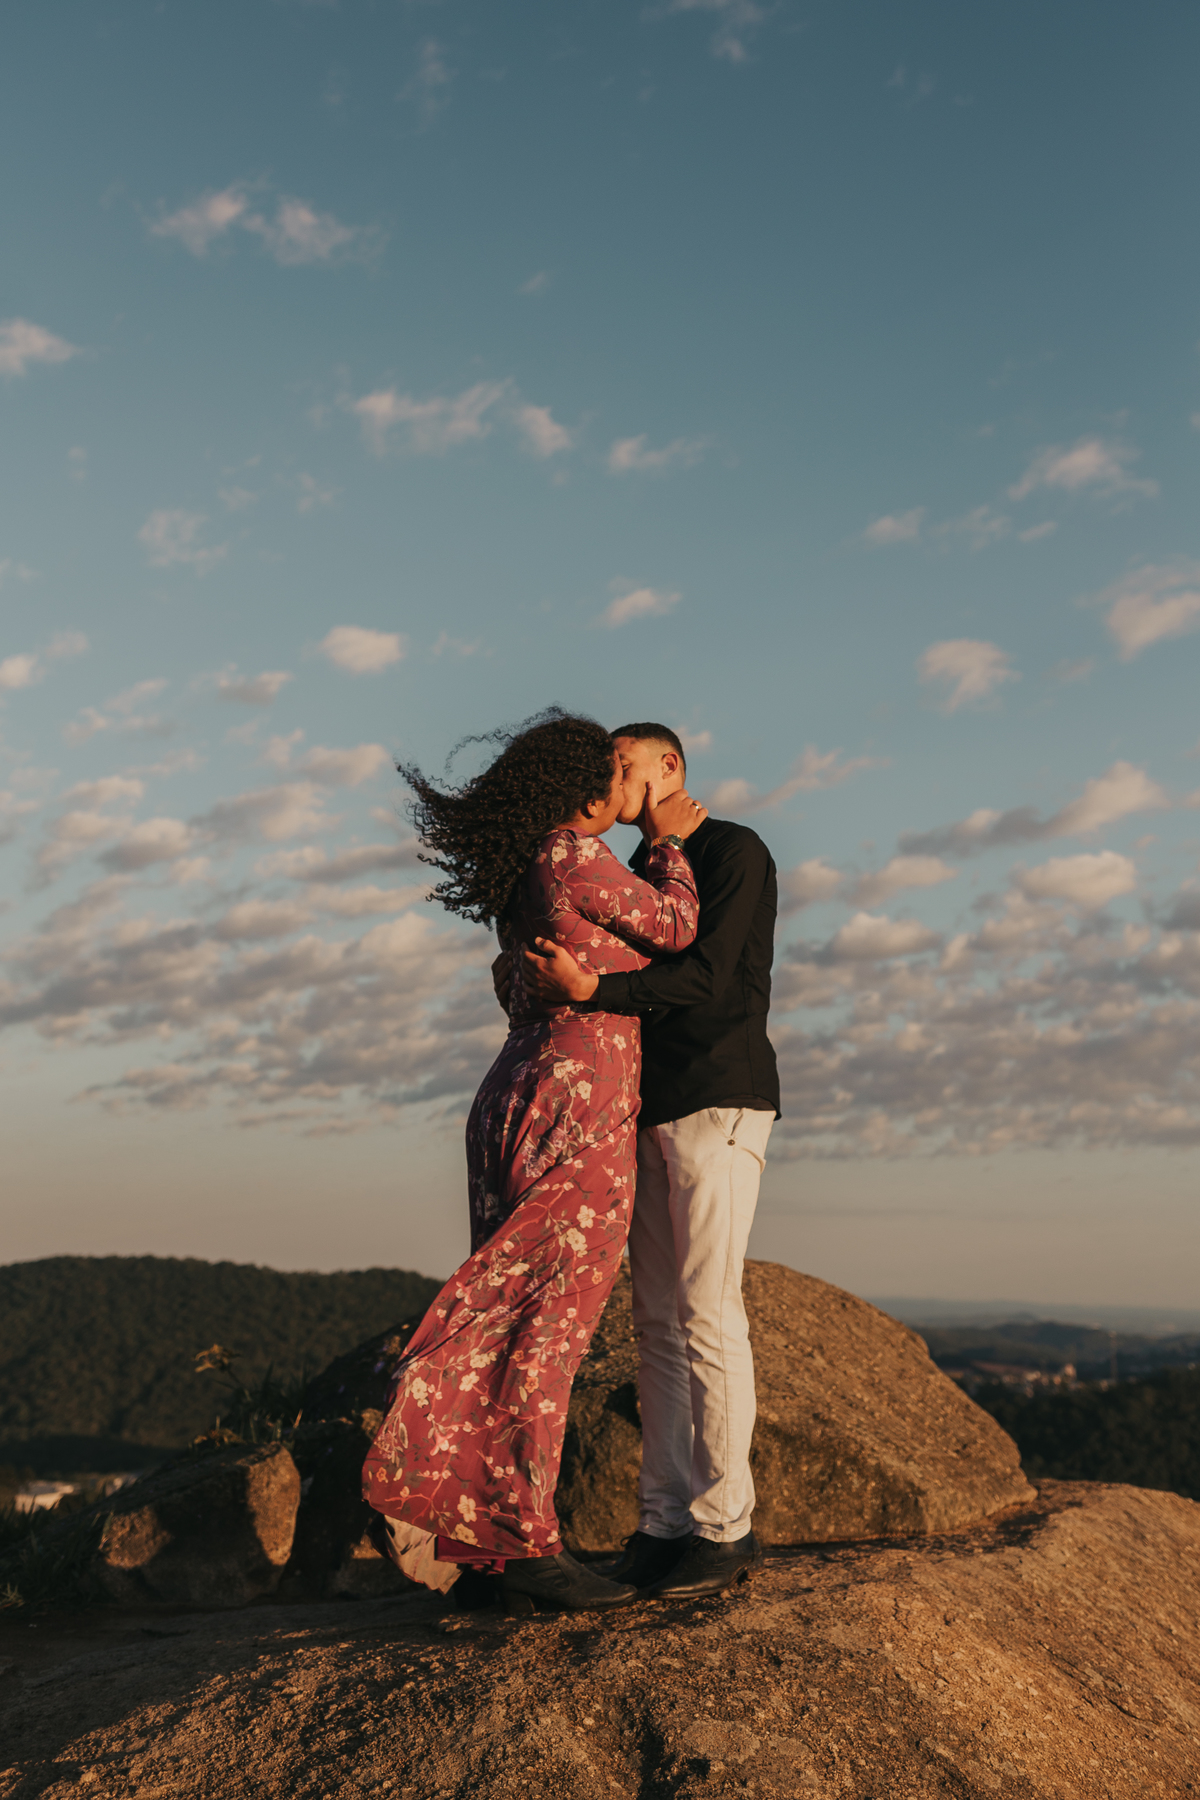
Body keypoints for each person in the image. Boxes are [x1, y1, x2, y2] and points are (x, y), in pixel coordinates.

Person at [362, 708, 708, 1614]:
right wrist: (670, 846)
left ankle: (482, 1548)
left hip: (522, 1093)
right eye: (623, 781)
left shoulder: (530, 872)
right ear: (588, 792)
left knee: (517, 1310)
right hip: (579, 1098)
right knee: (547, 1326)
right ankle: (525, 1542)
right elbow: (673, 928)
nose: (635, 797)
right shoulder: (572, 854)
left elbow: (516, 983)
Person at [522, 722, 779, 1601]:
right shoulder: (640, 868)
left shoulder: (733, 849)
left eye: (625, 768)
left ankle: (725, 1525)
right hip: (646, 1108)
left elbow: (706, 976)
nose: (615, 785)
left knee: (708, 1314)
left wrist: (596, 992)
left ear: (669, 767)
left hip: (721, 1101)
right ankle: (664, 1524)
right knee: (657, 1326)